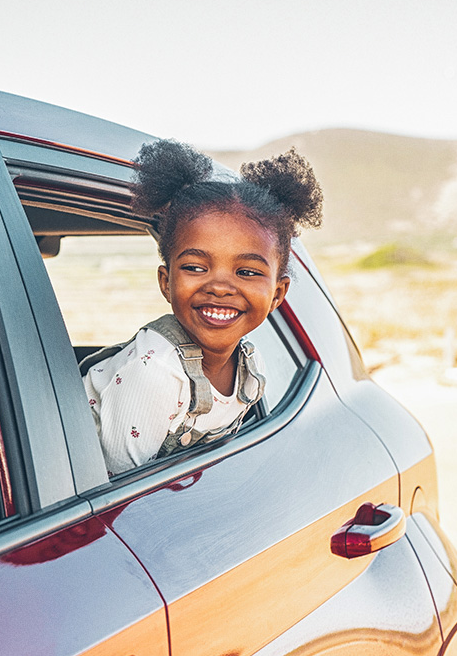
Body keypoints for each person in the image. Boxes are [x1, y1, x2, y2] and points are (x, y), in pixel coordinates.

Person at [82, 138, 322, 476]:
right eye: (195, 267)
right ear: (166, 282)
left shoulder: (250, 368)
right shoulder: (155, 374)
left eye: (247, 272)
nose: (220, 287)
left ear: (278, 294)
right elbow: (118, 498)